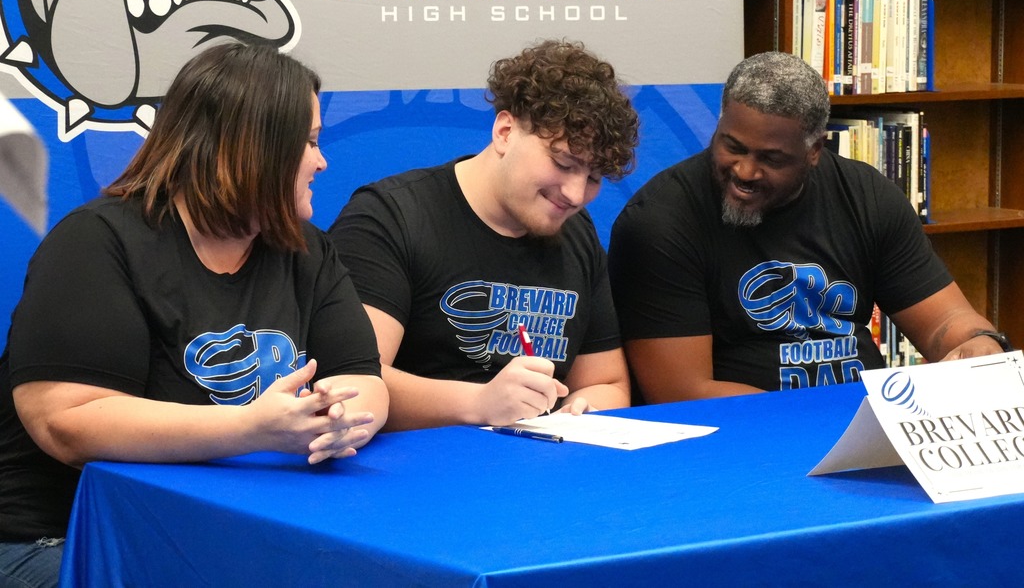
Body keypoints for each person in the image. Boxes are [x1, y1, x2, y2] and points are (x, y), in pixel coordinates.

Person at [0, 40, 388, 587]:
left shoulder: (307, 251)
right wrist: (250, 428)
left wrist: (339, 419)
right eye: (308, 142)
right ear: (249, 148)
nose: (321, 160)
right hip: (63, 535)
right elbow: (66, 421)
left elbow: (361, 377)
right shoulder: (97, 242)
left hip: (225, 526)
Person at [608, 51, 1011, 404]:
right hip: (741, 440)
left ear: (814, 151)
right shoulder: (660, 221)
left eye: (771, 158)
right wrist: (817, 420)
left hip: (865, 416)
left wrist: (979, 344)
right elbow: (682, 395)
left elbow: (945, 322)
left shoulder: (867, 195)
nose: (745, 171)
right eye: (732, 145)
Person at [329, 39, 639, 430]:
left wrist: (582, 411)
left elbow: (606, 383)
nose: (576, 194)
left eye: (593, 177)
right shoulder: (390, 217)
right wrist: (479, 403)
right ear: (506, 131)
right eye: (563, 163)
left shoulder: (576, 233)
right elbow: (352, 381)